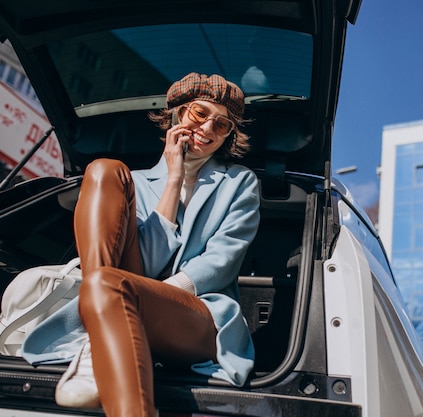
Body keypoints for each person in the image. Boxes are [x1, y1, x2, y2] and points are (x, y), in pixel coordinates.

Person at [21, 72, 260, 417]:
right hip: (116, 294)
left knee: (112, 287)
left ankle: (94, 338)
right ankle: (99, 332)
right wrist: (173, 180)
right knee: (103, 170)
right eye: (199, 114)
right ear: (177, 113)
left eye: (222, 125)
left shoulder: (239, 183)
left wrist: (158, 293)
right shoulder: (133, 183)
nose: (208, 129)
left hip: (196, 313)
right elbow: (144, 262)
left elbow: (224, 257)